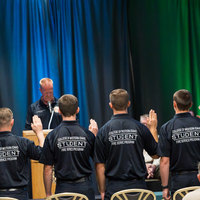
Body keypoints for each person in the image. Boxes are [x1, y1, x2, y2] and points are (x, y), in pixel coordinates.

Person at [94, 89, 159, 200]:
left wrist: (102, 191)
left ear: (111, 105)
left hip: (114, 190)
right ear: (128, 104)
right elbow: (156, 154)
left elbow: (100, 166)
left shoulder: (103, 131)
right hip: (139, 189)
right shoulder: (140, 128)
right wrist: (153, 128)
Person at [39, 94, 98, 200]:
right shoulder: (88, 135)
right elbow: (98, 162)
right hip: (85, 188)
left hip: (63, 190)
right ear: (78, 110)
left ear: (59, 111)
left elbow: (47, 169)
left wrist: (48, 193)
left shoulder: (52, 135)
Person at [158, 89, 200, 200]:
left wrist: (165, 187)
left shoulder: (166, 128)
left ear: (174, 104)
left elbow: (164, 161)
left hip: (179, 181)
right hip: (199, 177)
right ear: (190, 104)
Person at [0, 107, 44, 200]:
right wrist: (39, 133)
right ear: (12, 122)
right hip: (19, 195)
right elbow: (43, 155)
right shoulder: (23, 142)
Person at [140, 113, 160, 179]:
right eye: (143, 124)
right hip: (141, 165)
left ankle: (166, 188)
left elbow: (160, 156)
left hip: (155, 165)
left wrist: (153, 166)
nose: (145, 126)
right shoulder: (136, 138)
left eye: (147, 124)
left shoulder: (158, 138)